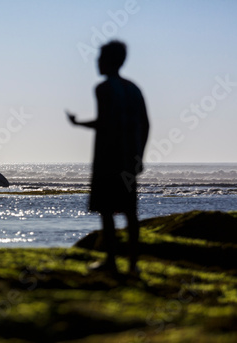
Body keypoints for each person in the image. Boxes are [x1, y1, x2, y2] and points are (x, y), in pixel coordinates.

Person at [66, 40, 149, 275]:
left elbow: (105, 122)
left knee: (107, 210)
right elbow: (145, 123)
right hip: (129, 158)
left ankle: (111, 262)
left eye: (100, 58)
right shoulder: (134, 89)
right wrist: (140, 155)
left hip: (108, 157)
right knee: (130, 212)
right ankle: (133, 265)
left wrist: (78, 123)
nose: (97, 62)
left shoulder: (103, 88)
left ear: (110, 60)